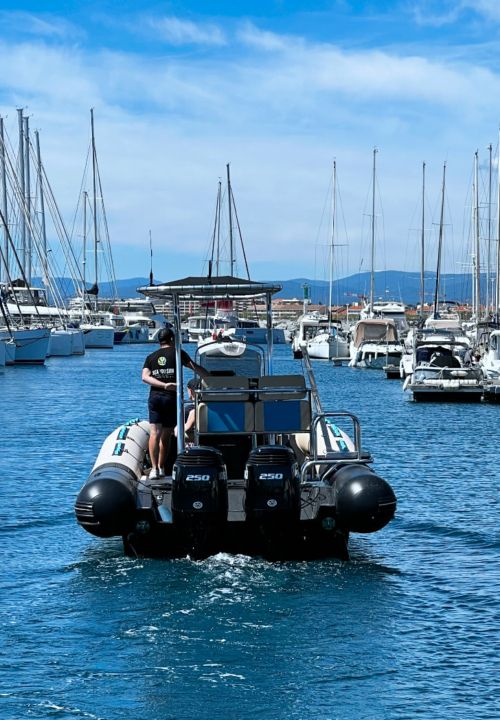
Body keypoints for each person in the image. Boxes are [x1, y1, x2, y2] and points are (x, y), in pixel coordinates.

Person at [142, 328, 207, 478]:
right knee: (165, 436)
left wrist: (162, 385)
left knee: (154, 433)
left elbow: (145, 377)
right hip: (171, 398)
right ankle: (161, 466)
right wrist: (209, 376)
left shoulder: (150, 357)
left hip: (155, 397)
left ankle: (153, 469)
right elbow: (194, 367)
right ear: (172, 339)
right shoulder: (178, 354)